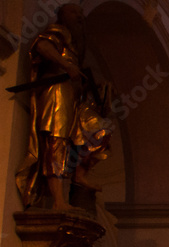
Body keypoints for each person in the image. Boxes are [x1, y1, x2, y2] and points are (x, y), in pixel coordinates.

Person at [16, 3, 114, 211]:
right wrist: (66, 65)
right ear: (62, 16)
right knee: (57, 141)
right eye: (74, 13)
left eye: (81, 14)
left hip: (74, 95)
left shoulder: (77, 46)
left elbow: (77, 72)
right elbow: (41, 46)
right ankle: (59, 201)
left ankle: (79, 175)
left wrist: (93, 85)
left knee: (98, 128)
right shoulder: (58, 31)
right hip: (57, 91)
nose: (79, 17)